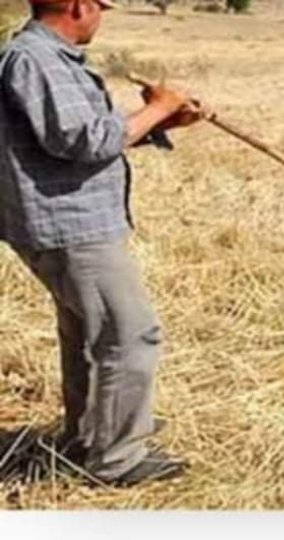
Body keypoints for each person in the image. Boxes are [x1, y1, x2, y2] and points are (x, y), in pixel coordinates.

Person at [0, 0, 202, 487]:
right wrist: (157, 107)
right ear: (78, 5)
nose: (101, 17)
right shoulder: (35, 59)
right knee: (131, 333)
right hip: (69, 225)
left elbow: (84, 136)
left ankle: (90, 435)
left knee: (90, 336)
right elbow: (82, 140)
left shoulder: (45, 58)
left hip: (68, 223)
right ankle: (118, 459)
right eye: (101, 7)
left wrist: (161, 122)